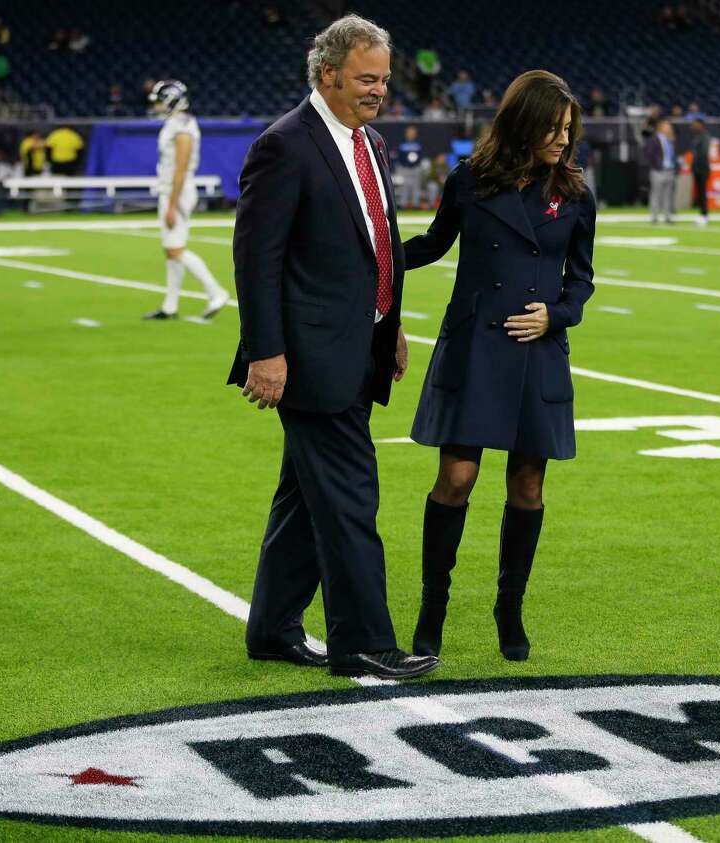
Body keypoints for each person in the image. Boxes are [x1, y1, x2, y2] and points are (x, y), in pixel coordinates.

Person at [228, 14, 438, 681]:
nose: (379, 89)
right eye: (366, 78)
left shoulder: (367, 141)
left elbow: (374, 244)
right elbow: (255, 257)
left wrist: (390, 323)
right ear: (328, 73)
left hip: (355, 346)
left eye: (383, 78)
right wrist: (266, 351)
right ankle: (362, 642)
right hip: (308, 358)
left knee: (305, 497)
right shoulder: (284, 145)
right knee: (350, 494)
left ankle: (271, 629)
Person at [402, 70, 595, 662]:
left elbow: (580, 282)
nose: (564, 140)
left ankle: (508, 610)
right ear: (524, 123)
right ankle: (432, 608)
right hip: (475, 346)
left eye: (569, 130)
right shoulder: (470, 180)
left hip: (536, 350)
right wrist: (369, 257)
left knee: (529, 484)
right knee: (457, 479)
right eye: (554, 128)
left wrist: (555, 316)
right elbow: (434, 244)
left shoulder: (576, 194)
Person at [142, 80, 230, 321]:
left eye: (161, 101)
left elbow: (181, 168)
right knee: (171, 250)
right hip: (173, 189)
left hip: (177, 190)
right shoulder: (177, 123)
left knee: (175, 249)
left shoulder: (182, 126)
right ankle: (170, 306)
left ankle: (216, 292)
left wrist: (172, 204)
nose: (158, 106)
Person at [646, 118, 677, 223]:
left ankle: (667, 216)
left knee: (668, 195)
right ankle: (654, 216)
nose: (669, 128)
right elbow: (649, 154)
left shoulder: (671, 140)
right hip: (658, 171)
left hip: (670, 170)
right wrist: (656, 166)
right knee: (656, 194)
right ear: (661, 128)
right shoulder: (654, 140)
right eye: (667, 126)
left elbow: (673, 154)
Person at [395, 125, 423, 209]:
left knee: (416, 186)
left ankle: (415, 204)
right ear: (406, 134)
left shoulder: (418, 144)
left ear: (415, 134)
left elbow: (421, 156)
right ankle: (403, 204)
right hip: (404, 168)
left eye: (413, 133)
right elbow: (398, 156)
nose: (411, 134)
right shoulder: (401, 143)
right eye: (409, 133)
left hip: (415, 168)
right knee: (404, 187)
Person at [690, 116, 711, 226]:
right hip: (697, 169)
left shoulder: (704, 136)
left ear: (700, 125)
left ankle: (704, 214)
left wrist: (696, 164)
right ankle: (702, 214)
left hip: (702, 168)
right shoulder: (697, 136)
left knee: (702, 193)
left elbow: (703, 153)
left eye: (695, 124)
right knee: (699, 193)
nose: (693, 126)